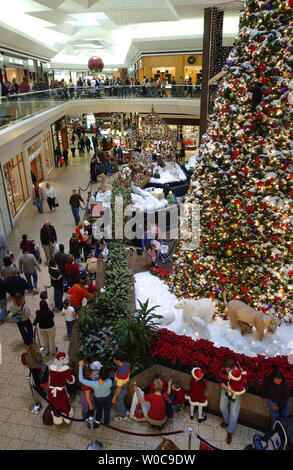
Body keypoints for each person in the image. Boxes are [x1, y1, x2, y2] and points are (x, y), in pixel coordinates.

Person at [79, 361, 113, 425]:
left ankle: (98, 421)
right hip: (107, 398)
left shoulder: (93, 383)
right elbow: (110, 385)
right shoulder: (110, 381)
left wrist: (80, 366)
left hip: (98, 399)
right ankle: (106, 422)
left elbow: (81, 379)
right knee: (107, 410)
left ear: (99, 374)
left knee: (99, 410)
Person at [218, 359, 242, 444]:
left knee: (234, 412)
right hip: (226, 389)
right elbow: (220, 381)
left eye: (228, 369)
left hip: (236, 392)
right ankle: (227, 421)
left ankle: (230, 431)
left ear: (233, 368)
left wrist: (235, 391)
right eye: (226, 369)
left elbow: (244, 384)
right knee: (222, 407)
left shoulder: (238, 372)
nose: (226, 370)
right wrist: (228, 389)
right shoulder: (223, 370)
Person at [112, 351, 131, 421]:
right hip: (125, 386)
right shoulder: (126, 364)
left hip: (120, 390)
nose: (113, 361)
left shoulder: (121, 375)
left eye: (114, 359)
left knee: (119, 401)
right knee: (121, 401)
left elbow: (118, 388)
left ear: (118, 361)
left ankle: (123, 416)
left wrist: (114, 397)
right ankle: (126, 411)